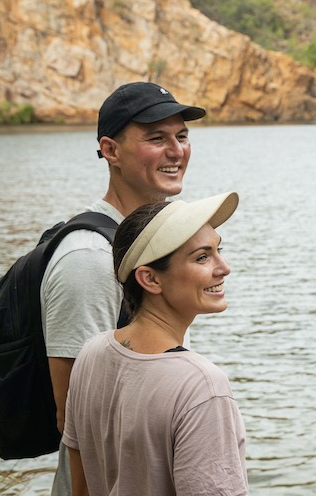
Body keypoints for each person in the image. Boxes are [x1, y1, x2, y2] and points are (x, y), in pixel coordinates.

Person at [42, 81, 206, 495]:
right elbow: (77, 419)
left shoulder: (150, 243)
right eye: (156, 138)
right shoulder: (89, 260)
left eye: (182, 136)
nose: (177, 151)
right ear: (111, 150)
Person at [62, 193, 248, 496]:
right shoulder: (201, 386)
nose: (223, 267)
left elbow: (80, 485)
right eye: (202, 257)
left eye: (218, 250)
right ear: (150, 279)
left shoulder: (91, 354)